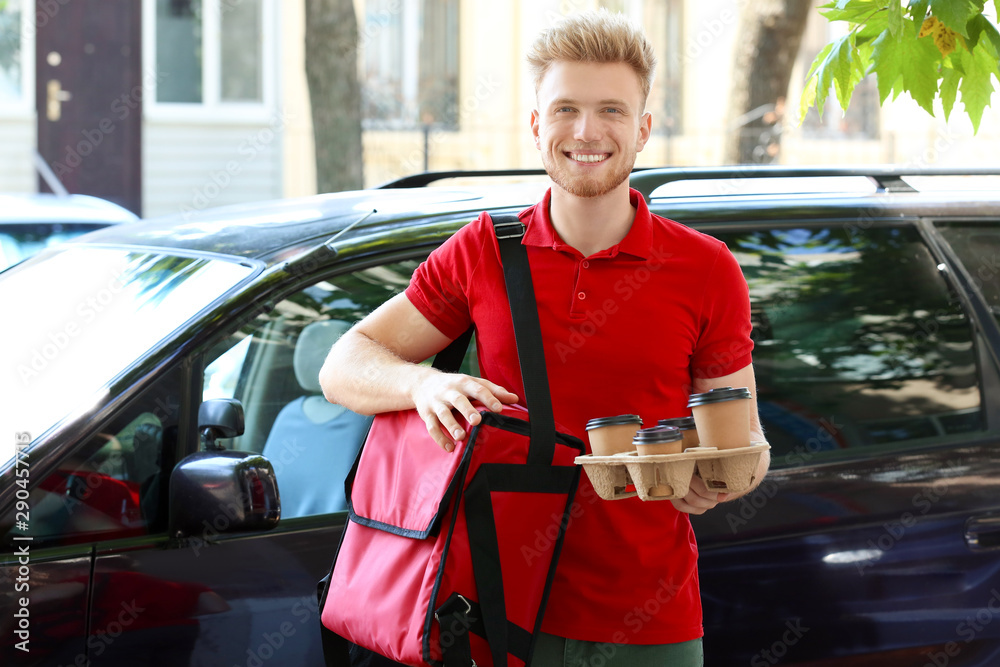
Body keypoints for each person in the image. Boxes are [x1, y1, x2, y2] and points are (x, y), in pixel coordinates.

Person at [320, 9, 768, 666]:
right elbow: (343, 364)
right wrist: (423, 381)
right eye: (565, 109)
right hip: (490, 612)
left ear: (643, 130)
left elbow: (747, 437)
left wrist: (726, 478)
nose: (587, 131)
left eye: (612, 110)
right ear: (536, 126)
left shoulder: (706, 269)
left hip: (648, 622)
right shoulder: (482, 252)